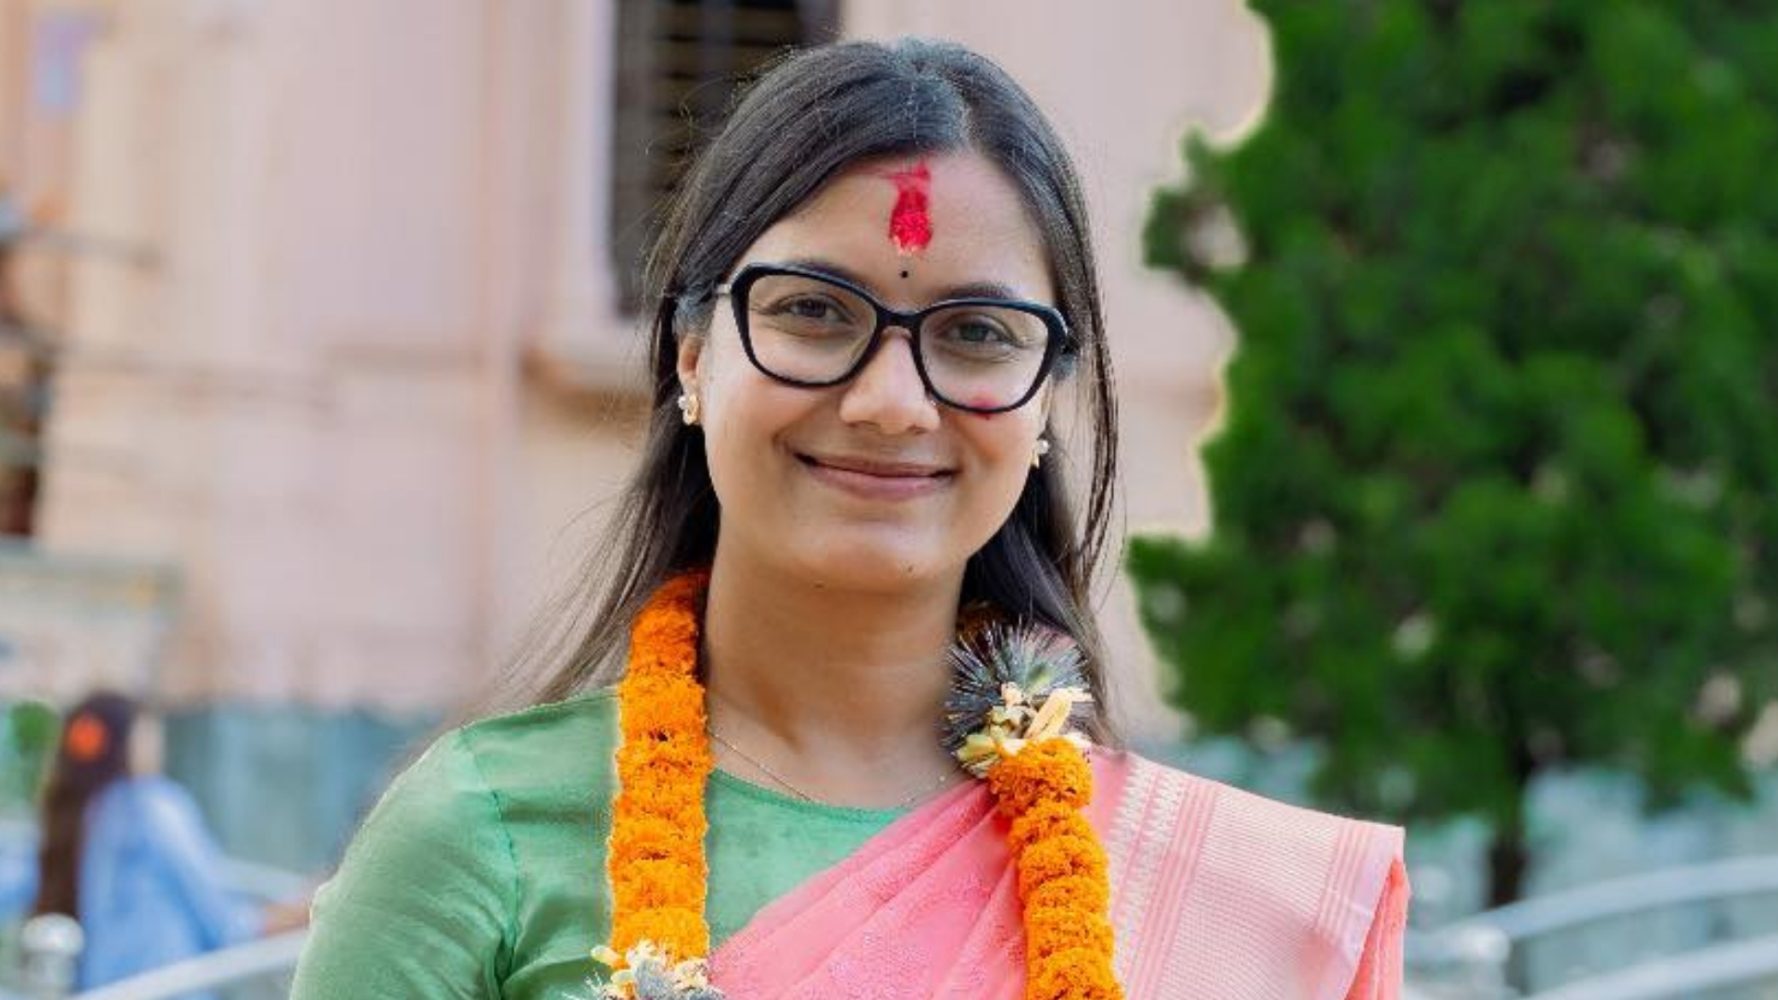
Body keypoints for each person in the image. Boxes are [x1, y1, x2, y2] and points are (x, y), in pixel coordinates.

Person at [292, 38, 1408, 999]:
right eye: (815, 311)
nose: (891, 403)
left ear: (1045, 402)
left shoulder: (1238, 910)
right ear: (692, 356)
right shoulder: (481, 839)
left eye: (976, 332)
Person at [11, 692, 306, 996]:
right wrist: (309, 910)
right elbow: (226, 925)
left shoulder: (77, 819)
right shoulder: (151, 808)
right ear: (133, 743)